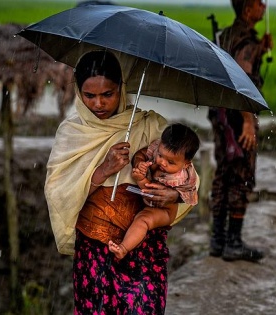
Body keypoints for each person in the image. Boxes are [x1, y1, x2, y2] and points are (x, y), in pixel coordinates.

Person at [44, 50, 194, 314]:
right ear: (79, 93)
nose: (99, 104)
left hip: (143, 247)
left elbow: (187, 173)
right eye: (89, 96)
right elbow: (59, 193)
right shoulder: (73, 133)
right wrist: (104, 170)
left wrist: (172, 196)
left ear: (121, 90)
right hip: (95, 246)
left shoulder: (149, 126)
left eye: (108, 94)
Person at [207, 0, 273, 262]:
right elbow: (241, 80)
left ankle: (218, 239)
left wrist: (261, 49)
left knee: (224, 172)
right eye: (259, 3)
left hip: (222, 114)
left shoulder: (228, 34)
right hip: (238, 116)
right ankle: (233, 241)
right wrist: (247, 119)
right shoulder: (245, 40)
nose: (264, 7)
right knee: (242, 174)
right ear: (247, 9)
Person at [109, 123, 200, 260]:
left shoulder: (179, 177)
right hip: (148, 199)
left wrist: (140, 178)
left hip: (164, 211)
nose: (162, 163)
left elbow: (149, 190)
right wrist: (140, 163)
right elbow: (143, 153)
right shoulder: (158, 149)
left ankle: (123, 248)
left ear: (186, 163)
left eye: (170, 162)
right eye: (160, 155)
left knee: (143, 219)